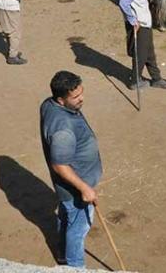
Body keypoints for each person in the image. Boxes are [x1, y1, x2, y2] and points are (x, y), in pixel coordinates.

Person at [40, 71, 102, 268]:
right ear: (60, 99)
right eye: (75, 97)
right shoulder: (63, 130)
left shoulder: (49, 104)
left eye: (81, 93)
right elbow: (60, 165)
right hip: (75, 187)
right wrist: (84, 188)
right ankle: (74, 267)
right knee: (79, 227)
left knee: (67, 217)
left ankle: (62, 254)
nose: (81, 98)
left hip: (68, 187)